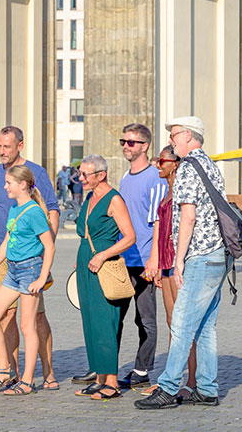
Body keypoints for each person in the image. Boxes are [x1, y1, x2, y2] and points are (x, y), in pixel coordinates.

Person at [136, 116, 227, 410]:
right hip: (218, 255)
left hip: (199, 255)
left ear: (188, 135)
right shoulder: (211, 165)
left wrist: (178, 261)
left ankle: (168, 387)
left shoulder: (188, 167)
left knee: (182, 324)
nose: (172, 140)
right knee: (206, 327)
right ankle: (208, 388)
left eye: (174, 134)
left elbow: (188, 215)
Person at [0, 125, 61, 390]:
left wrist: (42, 268)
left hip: (30, 265)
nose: (2, 152)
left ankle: (39, 375)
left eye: (7, 146)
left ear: (20, 145)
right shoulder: (0, 186)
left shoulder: (35, 179)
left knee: (33, 321)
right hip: (7, 261)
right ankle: (8, 371)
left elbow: (51, 215)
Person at [73, 154, 137, 400]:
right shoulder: (90, 197)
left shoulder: (114, 199)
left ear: (101, 174)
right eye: (80, 174)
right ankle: (100, 377)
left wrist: (102, 256)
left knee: (105, 323)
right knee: (90, 323)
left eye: (85, 174)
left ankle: (112, 382)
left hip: (104, 266)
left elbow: (130, 237)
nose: (81, 179)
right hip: (85, 265)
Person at [142, 146, 196, 398]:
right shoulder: (166, 191)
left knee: (184, 325)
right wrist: (154, 262)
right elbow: (159, 229)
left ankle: (192, 380)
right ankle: (171, 378)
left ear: (175, 163)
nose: (157, 165)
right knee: (172, 323)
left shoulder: (183, 190)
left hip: (177, 261)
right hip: (164, 262)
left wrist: (179, 262)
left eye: (161, 160)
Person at [114, 123, 165, 390]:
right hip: (123, 260)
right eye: (123, 141)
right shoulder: (125, 177)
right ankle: (108, 370)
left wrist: (154, 260)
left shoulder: (154, 177)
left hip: (145, 260)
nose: (126, 146)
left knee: (145, 319)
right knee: (116, 317)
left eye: (131, 142)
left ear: (145, 146)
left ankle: (142, 370)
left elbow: (158, 221)